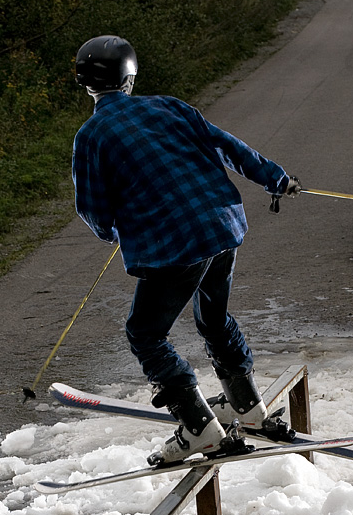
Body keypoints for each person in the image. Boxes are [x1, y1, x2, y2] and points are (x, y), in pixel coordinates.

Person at [72, 35, 301, 465]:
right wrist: (276, 178)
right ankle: (248, 409)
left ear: (85, 83)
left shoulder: (91, 135)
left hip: (174, 245)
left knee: (145, 333)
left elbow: (93, 207)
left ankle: (199, 429)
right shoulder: (170, 106)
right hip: (222, 225)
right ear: (130, 76)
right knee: (213, 318)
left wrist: (113, 231)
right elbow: (228, 146)